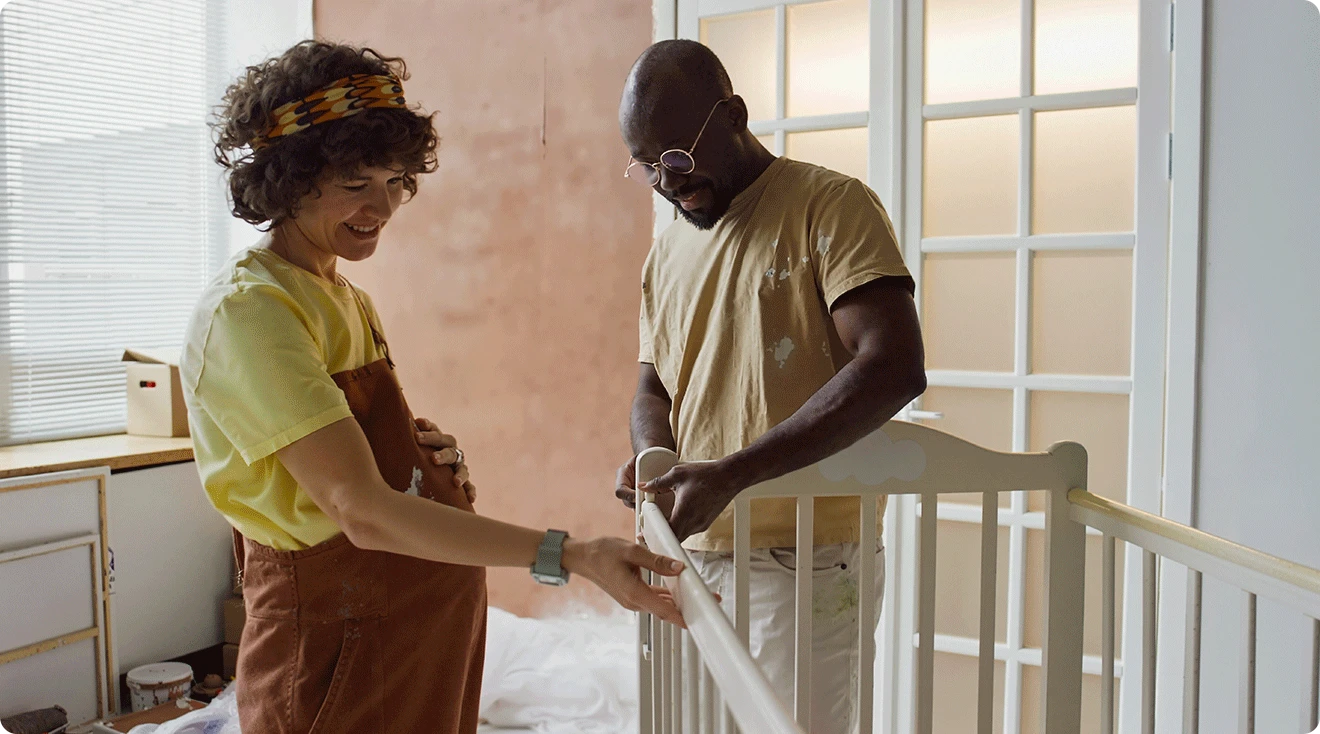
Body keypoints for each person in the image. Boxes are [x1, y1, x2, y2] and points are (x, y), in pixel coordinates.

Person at [183, 41, 684, 734]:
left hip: (415, 636)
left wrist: (424, 464)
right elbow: (359, 511)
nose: (383, 205)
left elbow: (365, 467)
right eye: (356, 183)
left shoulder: (344, 298)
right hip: (338, 650)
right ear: (289, 180)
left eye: (395, 181)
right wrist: (570, 554)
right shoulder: (253, 311)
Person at [613, 40, 927, 732]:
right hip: (692, 555)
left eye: (677, 157)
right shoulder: (666, 252)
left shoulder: (829, 206)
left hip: (806, 557)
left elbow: (893, 365)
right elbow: (653, 388)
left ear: (734, 115)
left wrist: (731, 474)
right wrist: (653, 462)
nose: (666, 181)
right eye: (646, 165)